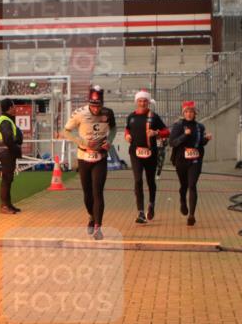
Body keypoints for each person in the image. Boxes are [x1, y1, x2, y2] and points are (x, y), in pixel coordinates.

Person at [62, 85, 115, 240]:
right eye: (93, 106)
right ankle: (92, 216)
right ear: (88, 103)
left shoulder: (108, 113)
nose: (96, 110)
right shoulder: (79, 113)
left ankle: (98, 226)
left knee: (98, 191)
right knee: (87, 193)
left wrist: (109, 141)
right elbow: (65, 131)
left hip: (100, 157)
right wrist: (82, 141)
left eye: (98, 106)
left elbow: (113, 128)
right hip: (84, 157)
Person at [124, 89, 169, 224]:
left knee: (150, 181)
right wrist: (127, 135)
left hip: (151, 153)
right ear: (136, 102)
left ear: (148, 102)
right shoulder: (131, 117)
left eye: (145, 101)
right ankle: (140, 212)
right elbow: (127, 128)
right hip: (135, 153)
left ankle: (151, 204)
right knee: (138, 180)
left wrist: (156, 133)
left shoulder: (154, 117)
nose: (142, 103)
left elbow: (166, 131)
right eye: (140, 101)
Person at [169, 101, 212, 227]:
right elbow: (172, 142)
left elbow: (200, 143)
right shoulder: (178, 126)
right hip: (181, 160)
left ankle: (191, 215)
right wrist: (184, 135)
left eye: (191, 112)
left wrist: (206, 139)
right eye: (187, 112)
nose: (189, 114)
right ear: (183, 113)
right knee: (184, 185)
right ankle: (183, 200)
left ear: (195, 113)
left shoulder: (200, 127)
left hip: (195, 160)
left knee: (192, 185)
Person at [0, 98, 23, 214]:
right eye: (14, 106)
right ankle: (5, 206)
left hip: (7, 151)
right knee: (6, 179)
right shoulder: (5, 121)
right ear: (10, 108)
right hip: (6, 152)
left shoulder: (7, 120)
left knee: (9, 179)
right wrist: (16, 149)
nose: (15, 108)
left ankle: (8, 204)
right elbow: (8, 139)